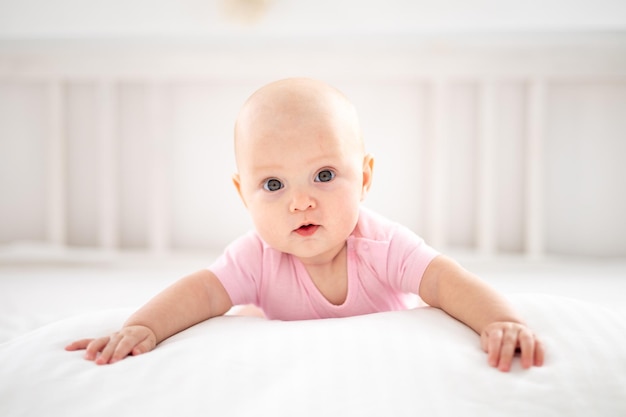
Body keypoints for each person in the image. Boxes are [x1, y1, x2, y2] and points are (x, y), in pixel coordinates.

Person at [66, 78, 544, 372]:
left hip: (379, 366)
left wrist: (502, 321)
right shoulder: (256, 256)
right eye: (273, 185)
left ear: (365, 178)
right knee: (239, 318)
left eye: (324, 175)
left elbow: (444, 280)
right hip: (297, 371)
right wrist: (142, 327)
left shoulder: (380, 246)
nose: (300, 202)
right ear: (242, 195)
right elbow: (202, 293)